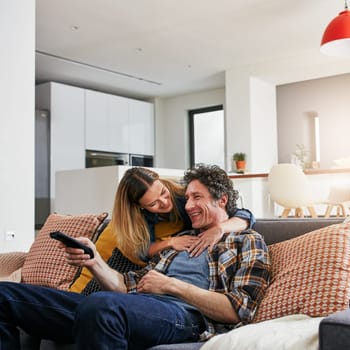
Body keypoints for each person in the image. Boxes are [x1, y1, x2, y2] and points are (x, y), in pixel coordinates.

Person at [0, 164, 270, 350]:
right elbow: (125, 285)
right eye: (186, 197)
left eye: (196, 197)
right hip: (133, 306)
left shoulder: (246, 240)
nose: (186, 206)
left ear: (221, 200)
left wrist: (170, 285)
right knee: (4, 295)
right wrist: (94, 261)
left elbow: (239, 309)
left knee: (101, 306)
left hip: (185, 317)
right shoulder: (177, 240)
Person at [111, 166, 255, 265]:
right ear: (140, 206)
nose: (165, 202)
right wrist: (170, 242)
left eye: (163, 192)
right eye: (154, 204)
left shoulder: (183, 194)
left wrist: (219, 229)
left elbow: (244, 214)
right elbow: (141, 252)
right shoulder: (136, 217)